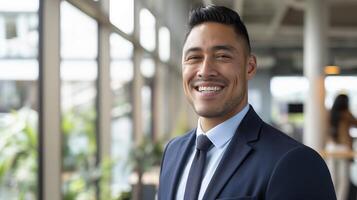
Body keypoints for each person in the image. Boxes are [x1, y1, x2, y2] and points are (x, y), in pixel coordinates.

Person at [158, 5, 336, 200]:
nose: (205, 70)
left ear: (249, 67)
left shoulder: (296, 163)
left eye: (222, 56)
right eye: (194, 58)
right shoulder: (173, 152)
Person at [326, 94, 357, 200]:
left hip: (331, 148)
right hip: (344, 150)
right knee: (343, 181)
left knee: (333, 179)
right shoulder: (346, 114)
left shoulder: (330, 113)